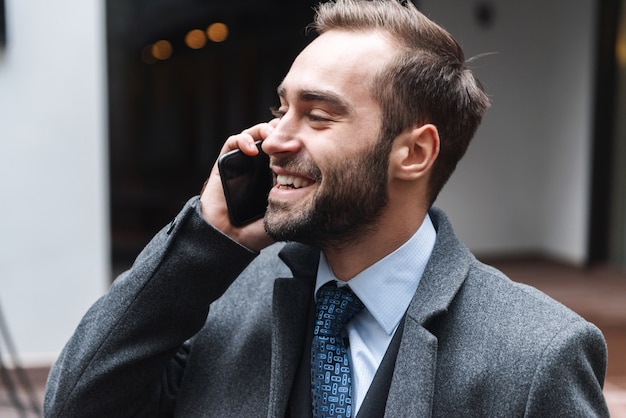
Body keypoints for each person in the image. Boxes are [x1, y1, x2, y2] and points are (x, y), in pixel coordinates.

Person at [44, 0, 609, 416]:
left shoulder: (537, 356)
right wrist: (202, 240)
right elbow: (76, 405)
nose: (270, 139)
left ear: (413, 152)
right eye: (281, 107)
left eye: (318, 116)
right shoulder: (222, 297)